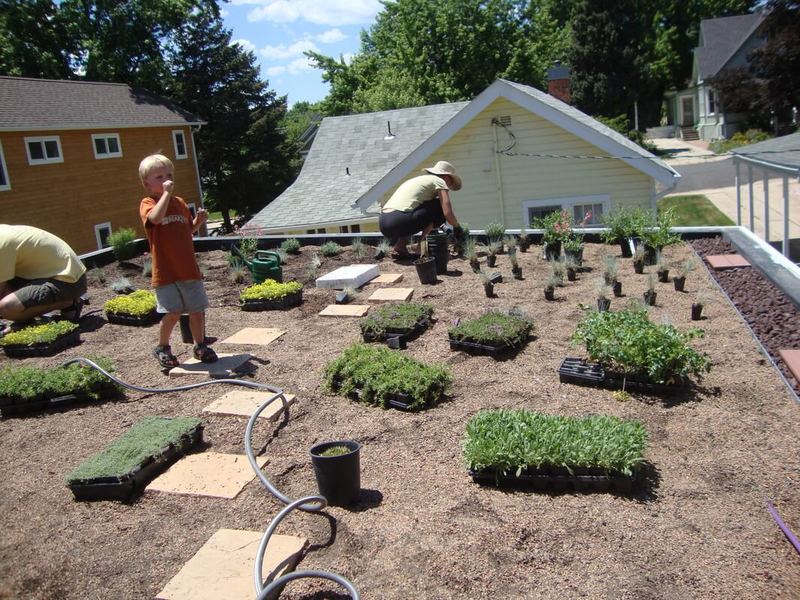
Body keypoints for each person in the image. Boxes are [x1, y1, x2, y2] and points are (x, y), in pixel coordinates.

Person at [138, 153, 217, 369]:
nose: (166, 179)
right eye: (159, 176)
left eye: (169, 175)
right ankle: (162, 347)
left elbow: (185, 232)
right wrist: (165, 194)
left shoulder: (180, 202)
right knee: (172, 312)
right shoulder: (148, 203)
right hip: (166, 271)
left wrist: (197, 222)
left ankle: (200, 345)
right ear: (147, 183)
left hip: (188, 268)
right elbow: (155, 219)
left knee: (197, 310)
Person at [0, 224, 87, 334]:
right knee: (7, 299)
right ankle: (24, 318)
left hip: (68, 281)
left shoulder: (2, 244)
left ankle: (70, 302)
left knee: (6, 308)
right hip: (45, 276)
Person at [379, 160, 465, 257]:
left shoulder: (419, 180)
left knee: (413, 209)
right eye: (450, 182)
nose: (449, 185)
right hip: (399, 221)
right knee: (438, 206)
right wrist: (457, 227)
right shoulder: (440, 181)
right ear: (445, 177)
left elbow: (408, 208)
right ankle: (421, 248)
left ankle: (400, 246)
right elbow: (447, 213)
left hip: (384, 222)